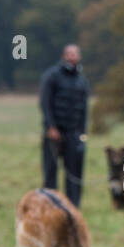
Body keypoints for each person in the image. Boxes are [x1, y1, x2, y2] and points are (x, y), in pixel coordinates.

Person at [39, 44, 89, 207]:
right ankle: (50, 205)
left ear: (79, 57)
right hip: (54, 133)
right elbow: (45, 103)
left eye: (75, 54)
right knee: (50, 171)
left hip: (74, 133)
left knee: (74, 173)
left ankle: (73, 207)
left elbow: (84, 109)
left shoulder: (81, 81)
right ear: (64, 56)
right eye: (69, 54)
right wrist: (50, 127)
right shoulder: (52, 76)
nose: (72, 57)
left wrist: (82, 133)